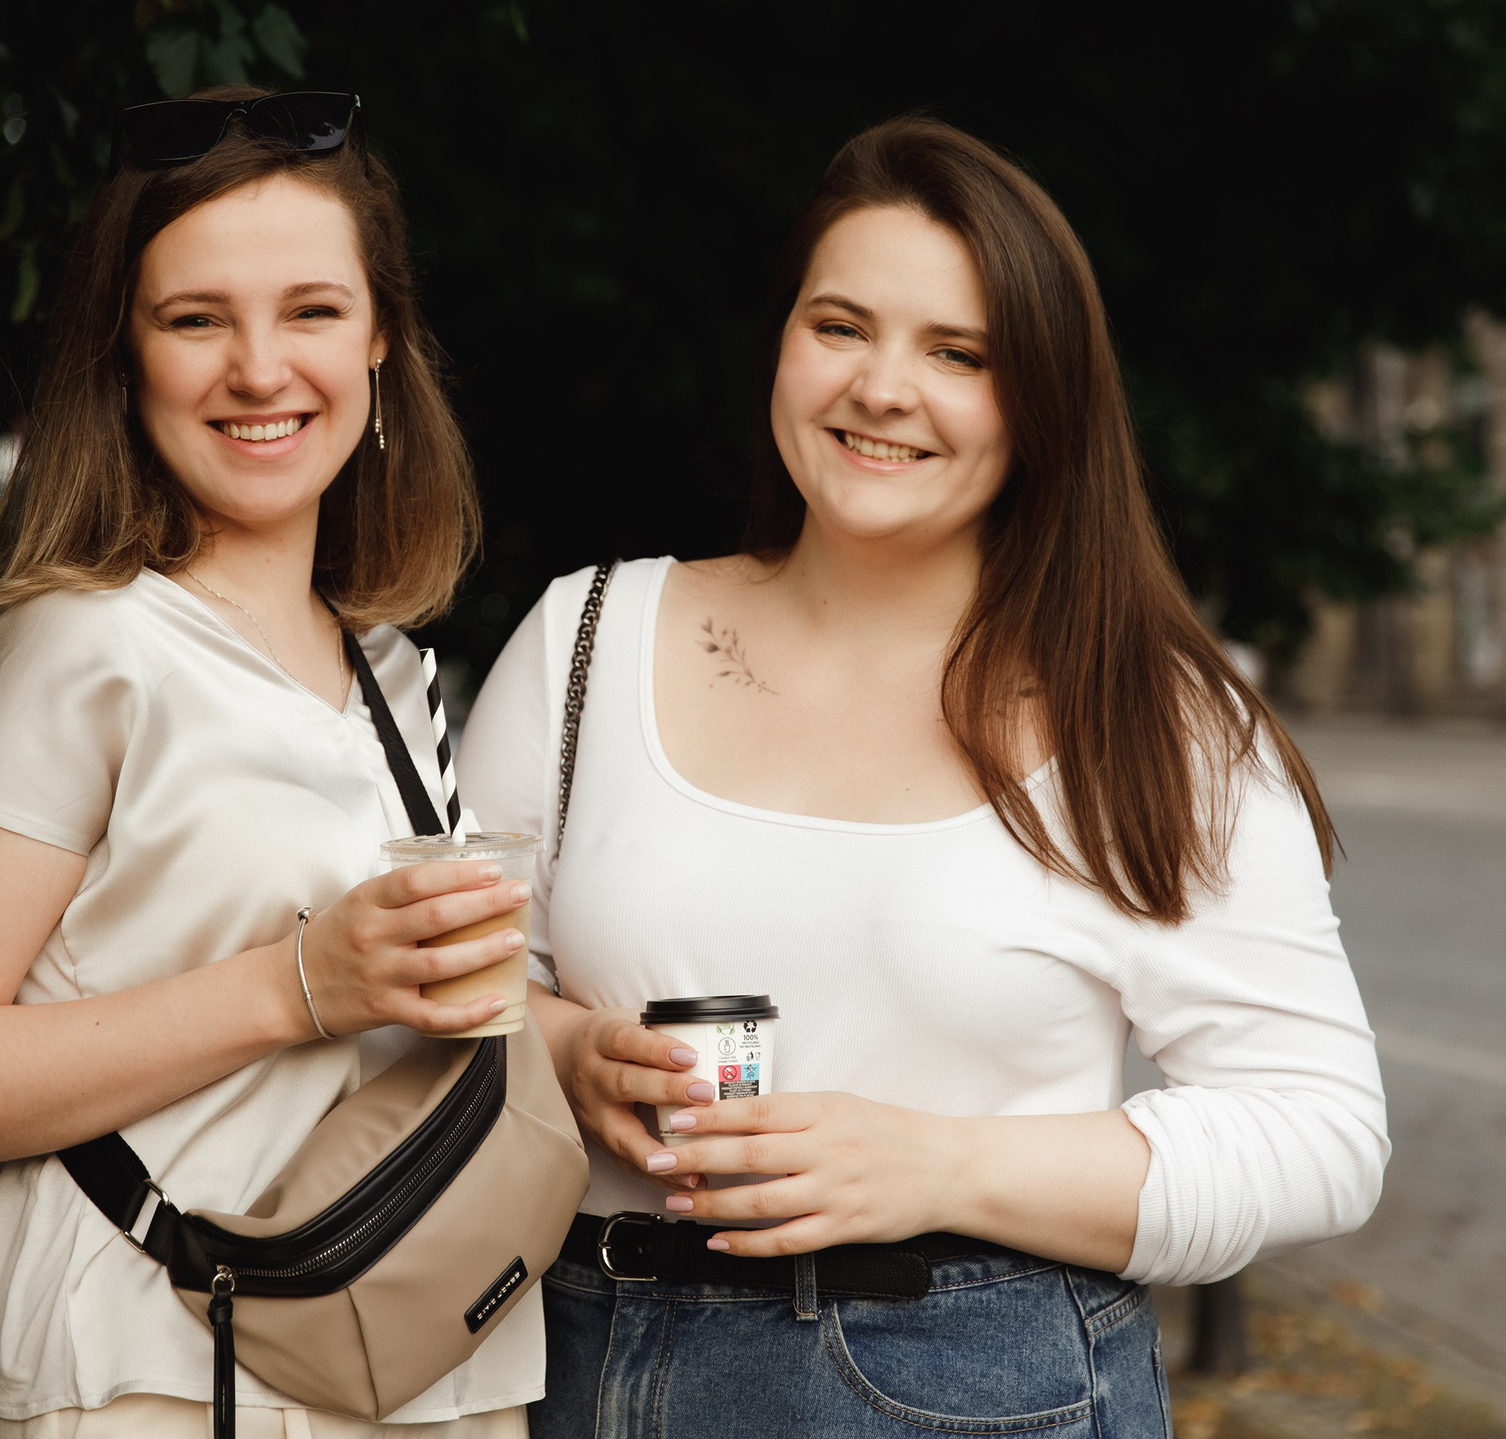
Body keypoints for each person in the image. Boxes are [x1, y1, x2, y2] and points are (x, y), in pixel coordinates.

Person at [457, 115, 1387, 1435]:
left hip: (968, 1385)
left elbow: (1321, 1136)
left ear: (1045, 403)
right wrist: (573, 1052)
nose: (883, 388)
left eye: (959, 354)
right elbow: (441, 997)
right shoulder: (588, 638)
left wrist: (941, 1166)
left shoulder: (1149, 715)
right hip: (574, 1362)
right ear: (783, 342)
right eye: (841, 326)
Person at [0, 88, 540, 1439]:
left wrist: (584, 1051)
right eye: (196, 318)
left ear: (382, 338)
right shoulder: (76, 646)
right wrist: (299, 982)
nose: (260, 369)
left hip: (424, 1372)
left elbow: (387, 1039)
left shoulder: (388, 670)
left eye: (312, 312)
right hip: (163, 1378)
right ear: (124, 351)